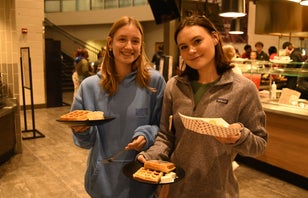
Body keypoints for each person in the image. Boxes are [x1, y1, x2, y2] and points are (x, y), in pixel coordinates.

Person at [138, 15, 267, 197]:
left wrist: (239, 137)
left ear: (215, 38)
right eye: (184, 47)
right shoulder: (174, 86)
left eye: (197, 41)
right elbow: (166, 136)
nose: (191, 50)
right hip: (176, 188)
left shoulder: (243, 89)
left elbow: (259, 145)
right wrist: (151, 155)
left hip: (218, 190)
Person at [70, 16, 166, 197]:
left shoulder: (154, 82)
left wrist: (147, 134)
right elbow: (85, 142)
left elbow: (164, 130)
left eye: (135, 41)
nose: (129, 46)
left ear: (141, 45)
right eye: (122, 39)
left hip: (142, 180)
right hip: (102, 182)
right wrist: (80, 130)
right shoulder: (89, 87)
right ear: (110, 43)